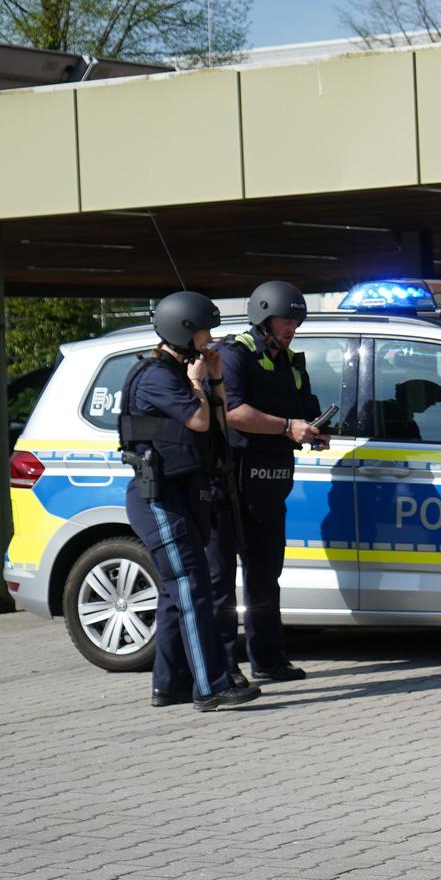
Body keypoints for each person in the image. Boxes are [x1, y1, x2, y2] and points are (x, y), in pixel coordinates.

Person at [119, 291, 262, 712]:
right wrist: (200, 381)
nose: (210, 339)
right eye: (205, 332)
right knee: (191, 586)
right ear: (184, 329)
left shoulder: (182, 370)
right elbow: (198, 418)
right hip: (158, 495)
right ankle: (212, 685)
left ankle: (170, 684)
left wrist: (214, 377)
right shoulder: (158, 375)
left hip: (180, 492)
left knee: (175, 591)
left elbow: (215, 424)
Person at [209, 281, 329, 683]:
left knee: (265, 574)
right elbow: (234, 412)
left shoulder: (292, 363)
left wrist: (313, 431)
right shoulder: (233, 354)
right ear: (263, 317)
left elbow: (302, 410)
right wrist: (286, 427)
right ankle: (223, 668)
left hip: (271, 481)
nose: (292, 327)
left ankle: (268, 658)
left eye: (297, 320)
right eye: (286, 319)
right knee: (221, 579)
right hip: (230, 480)